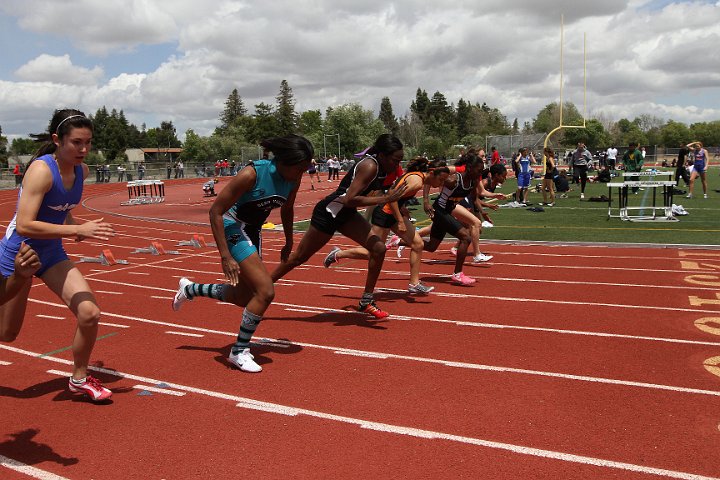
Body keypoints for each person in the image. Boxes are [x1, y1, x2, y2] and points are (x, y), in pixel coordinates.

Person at [0, 109, 116, 402]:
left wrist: (77, 227)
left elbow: (61, 212)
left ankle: (78, 379)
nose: (84, 149)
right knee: (7, 334)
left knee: (90, 313)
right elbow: (25, 223)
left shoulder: (82, 171)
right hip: (19, 255)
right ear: (57, 139)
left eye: (88, 142)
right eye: (77, 142)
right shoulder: (40, 170)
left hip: (51, 253)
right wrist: (76, 231)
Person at [172, 134, 314, 373]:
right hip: (232, 226)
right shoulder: (252, 174)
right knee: (266, 291)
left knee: (243, 297)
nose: (302, 173)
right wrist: (225, 256)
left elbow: (288, 209)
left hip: (252, 230)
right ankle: (238, 351)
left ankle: (190, 289)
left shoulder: (294, 178)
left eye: (305, 168)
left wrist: (289, 240)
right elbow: (215, 212)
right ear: (284, 162)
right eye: (300, 168)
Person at [271, 134, 407, 318]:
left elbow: (366, 194)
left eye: (400, 160)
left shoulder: (383, 167)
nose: (398, 163)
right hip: (329, 213)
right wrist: (386, 198)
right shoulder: (370, 166)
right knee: (298, 258)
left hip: (346, 214)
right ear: (383, 155)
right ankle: (263, 285)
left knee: (378, 248)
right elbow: (350, 199)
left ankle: (366, 300)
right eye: (395, 159)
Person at [326, 157, 450, 294]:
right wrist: (401, 220)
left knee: (418, 244)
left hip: (393, 214)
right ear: (432, 173)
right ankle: (338, 253)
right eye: (441, 180)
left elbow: (395, 193)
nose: (441, 184)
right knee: (373, 252)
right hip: (384, 215)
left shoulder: (417, 178)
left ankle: (414, 284)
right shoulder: (416, 181)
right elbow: (392, 198)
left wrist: (402, 209)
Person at [417, 152, 496, 285]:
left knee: (431, 246)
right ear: (469, 168)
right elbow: (429, 179)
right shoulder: (453, 179)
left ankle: (400, 241)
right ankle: (458, 274)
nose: (480, 173)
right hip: (440, 211)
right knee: (465, 237)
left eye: (482, 170)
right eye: (478, 170)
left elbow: (475, 198)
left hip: (449, 210)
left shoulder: (474, 180)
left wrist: (483, 212)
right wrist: (425, 201)